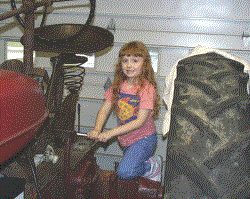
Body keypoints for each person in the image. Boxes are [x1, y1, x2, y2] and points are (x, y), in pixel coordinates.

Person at [87, 41, 162, 183]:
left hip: (144, 139)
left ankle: (152, 167)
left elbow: (139, 122)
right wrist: (97, 129)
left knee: (125, 172)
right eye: (125, 60)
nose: (129, 65)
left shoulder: (146, 89)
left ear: (144, 64)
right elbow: (104, 110)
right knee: (129, 169)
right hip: (126, 140)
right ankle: (141, 167)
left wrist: (110, 133)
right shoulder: (117, 87)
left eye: (135, 60)